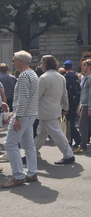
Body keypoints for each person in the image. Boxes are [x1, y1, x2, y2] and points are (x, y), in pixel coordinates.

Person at [1, 51, 39, 188]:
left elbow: (23, 98)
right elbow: (26, 97)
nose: (13, 62)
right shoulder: (32, 74)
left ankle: (18, 176)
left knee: (10, 144)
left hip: (23, 115)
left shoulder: (23, 76)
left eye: (14, 60)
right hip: (30, 113)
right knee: (28, 145)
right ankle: (31, 172)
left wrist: (17, 116)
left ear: (20, 61)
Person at [33, 55, 75, 165]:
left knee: (56, 134)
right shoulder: (61, 77)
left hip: (45, 110)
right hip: (54, 109)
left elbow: (36, 95)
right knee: (41, 134)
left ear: (45, 64)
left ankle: (68, 154)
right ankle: (32, 153)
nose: (41, 65)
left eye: (42, 63)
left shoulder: (43, 78)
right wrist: (65, 107)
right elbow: (64, 95)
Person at [75, 59, 91, 154]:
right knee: (89, 125)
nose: (82, 67)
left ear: (89, 67)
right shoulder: (87, 78)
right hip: (85, 104)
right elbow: (84, 93)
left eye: (84, 65)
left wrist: (90, 107)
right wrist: (81, 104)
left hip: (88, 105)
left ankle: (83, 145)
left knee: (83, 125)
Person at [64, 60, 81, 147]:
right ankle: (75, 138)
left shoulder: (65, 77)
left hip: (68, 102)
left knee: (68, 122)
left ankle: (75, 138)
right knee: (72, 121)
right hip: (75, 101)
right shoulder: (76, 76)